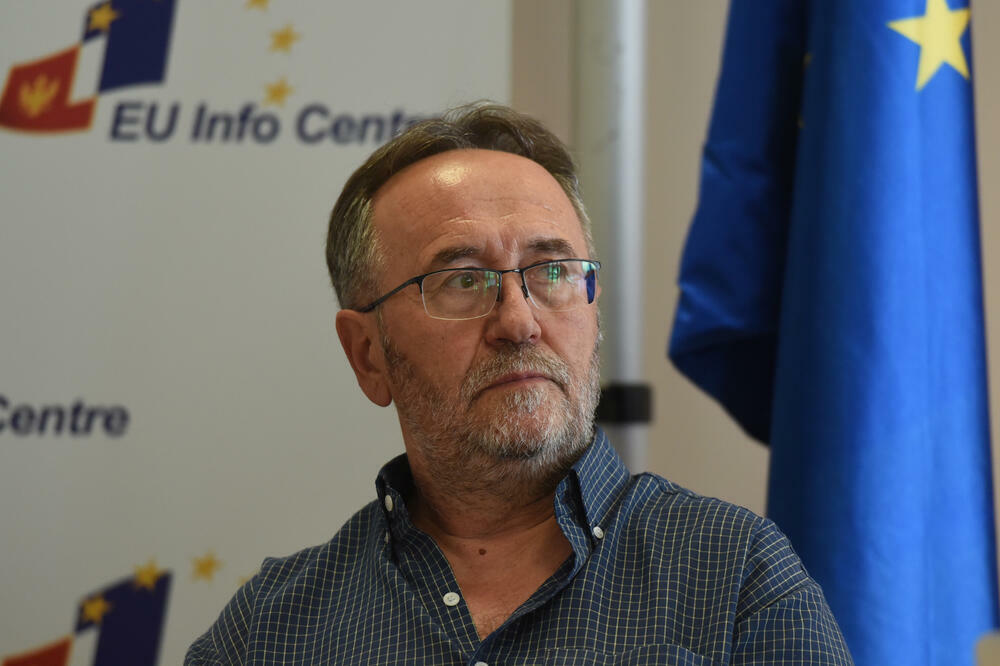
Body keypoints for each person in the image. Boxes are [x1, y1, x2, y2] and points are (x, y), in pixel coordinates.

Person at [185, 103, 853, 665]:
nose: (519, 322)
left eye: (553, 270)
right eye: (461, 280)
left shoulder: (736, 579)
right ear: (367, 355)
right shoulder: (269, 633)